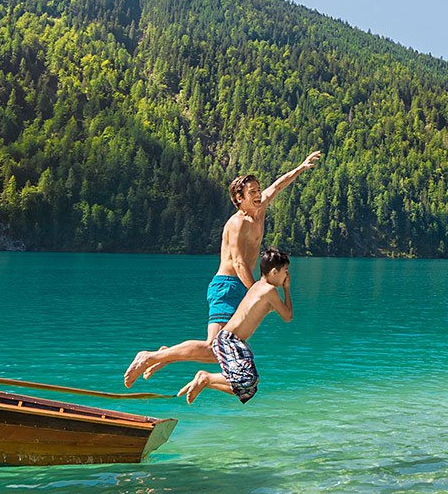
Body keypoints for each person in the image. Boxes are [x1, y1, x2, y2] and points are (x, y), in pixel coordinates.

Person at [124, 151, 319, 386]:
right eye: (252, 192)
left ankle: (166, 354)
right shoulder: (236, 224)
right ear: (239, 198)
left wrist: (301, 167)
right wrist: (255, 292)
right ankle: (151, 356)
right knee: (213, 348)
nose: (258, 195)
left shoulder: (260, 208)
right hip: (227, 286)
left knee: (220, 352)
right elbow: (238, 263)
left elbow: (278, 185)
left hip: (242, 287)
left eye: (258, 190)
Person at [179, 248, 292, 404]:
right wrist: (286, 289)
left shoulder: (257, 287)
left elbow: (269, 309)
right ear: (274, 272)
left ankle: (208, 381)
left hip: (232, 340)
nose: (287, 275)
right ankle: (206, 377)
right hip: (229, 340)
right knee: (247, 380)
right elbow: (287, 316)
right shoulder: (269, 290)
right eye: (285, 271)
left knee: (249, 388)